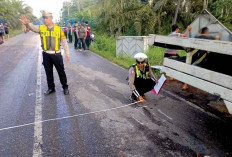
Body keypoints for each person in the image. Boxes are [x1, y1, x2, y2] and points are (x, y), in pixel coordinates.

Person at [19, 10, 70, 95]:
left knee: (61, 71)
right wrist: (26, 24)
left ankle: (65, 87)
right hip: (46, 54)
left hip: (56, 54)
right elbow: (32, 27)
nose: (44, 20)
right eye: (43, 18)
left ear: (51, 18)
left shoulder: (58, 29)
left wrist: (67, 52)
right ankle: (51, 88)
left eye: (46, 18)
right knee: (48, 72)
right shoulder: (41, 28)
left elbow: (64, 41)